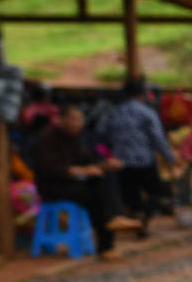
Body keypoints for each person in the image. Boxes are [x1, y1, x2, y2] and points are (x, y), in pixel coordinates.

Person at [26, 101, 125, 256]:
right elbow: (50, 169)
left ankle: (115, 220)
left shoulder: (75, 139)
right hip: (53, 188)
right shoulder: (47, 139)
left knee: (104, 178)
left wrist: (106, 165)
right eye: (74, 119)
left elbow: (89, 162)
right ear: (61, 120)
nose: (79, 123)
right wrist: (82, 170)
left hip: (73, 185)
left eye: (80, 120)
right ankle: (107, 241)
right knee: (97, 197)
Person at [97, 77, 174, 225]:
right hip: (145, 161)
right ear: (141, 94)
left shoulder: (113, 112)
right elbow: (158, 138)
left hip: (121, 162)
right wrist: (169, 157)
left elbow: (101, 132)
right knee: (155, 193)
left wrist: (112, 148)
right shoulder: (147, 112)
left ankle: (138, 217)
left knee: (131, 196)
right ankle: (146, 216)